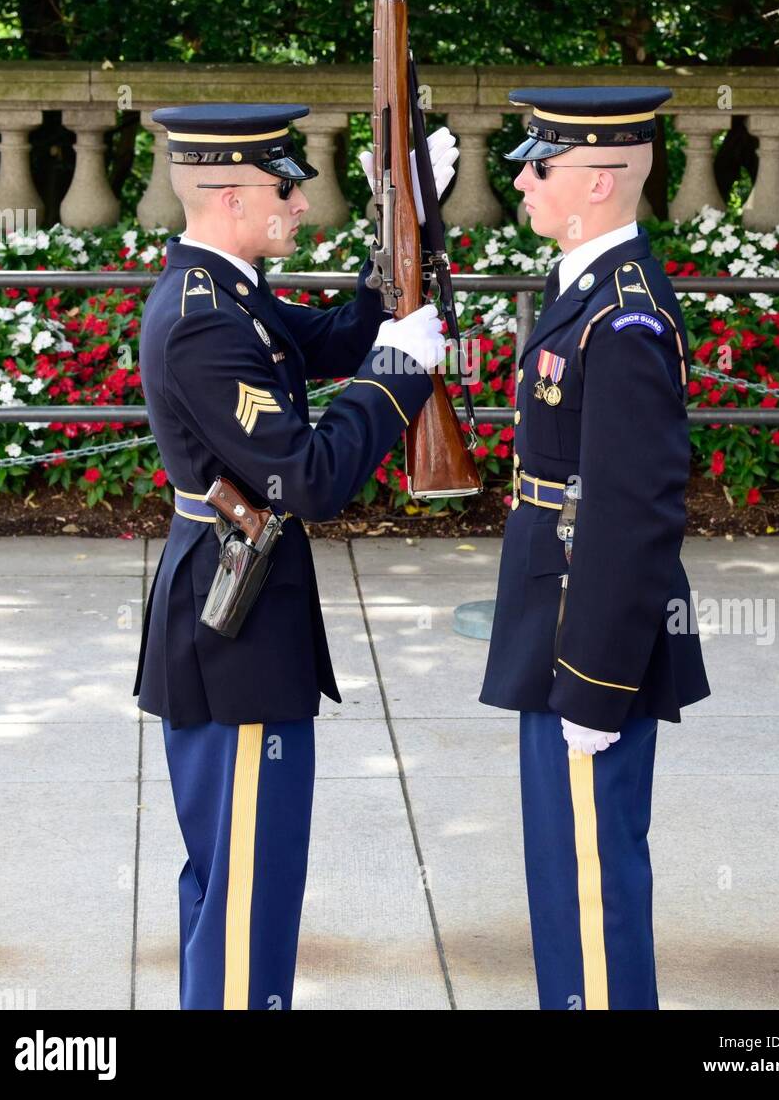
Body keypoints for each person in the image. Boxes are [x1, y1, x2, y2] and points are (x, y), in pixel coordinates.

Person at [134, 102, 456, 1009]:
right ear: (231, 194)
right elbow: (308, 481)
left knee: (244, 885)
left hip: (245, 617)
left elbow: (323, 341)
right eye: (288, 189)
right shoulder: (202, 319)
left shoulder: (226, 287)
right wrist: (395, 376)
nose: (302, 207)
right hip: (232, 635)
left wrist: (409, 230)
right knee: (244, 896)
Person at [479, 86, 711, 1010]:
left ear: (602, 180)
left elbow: (634, 511)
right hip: (556, 605)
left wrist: (597, 681)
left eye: (543, 165)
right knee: (562, 872)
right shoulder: (581, 282)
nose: (524, 181)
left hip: (587, 629)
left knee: (591, 884)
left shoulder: (623, 318)